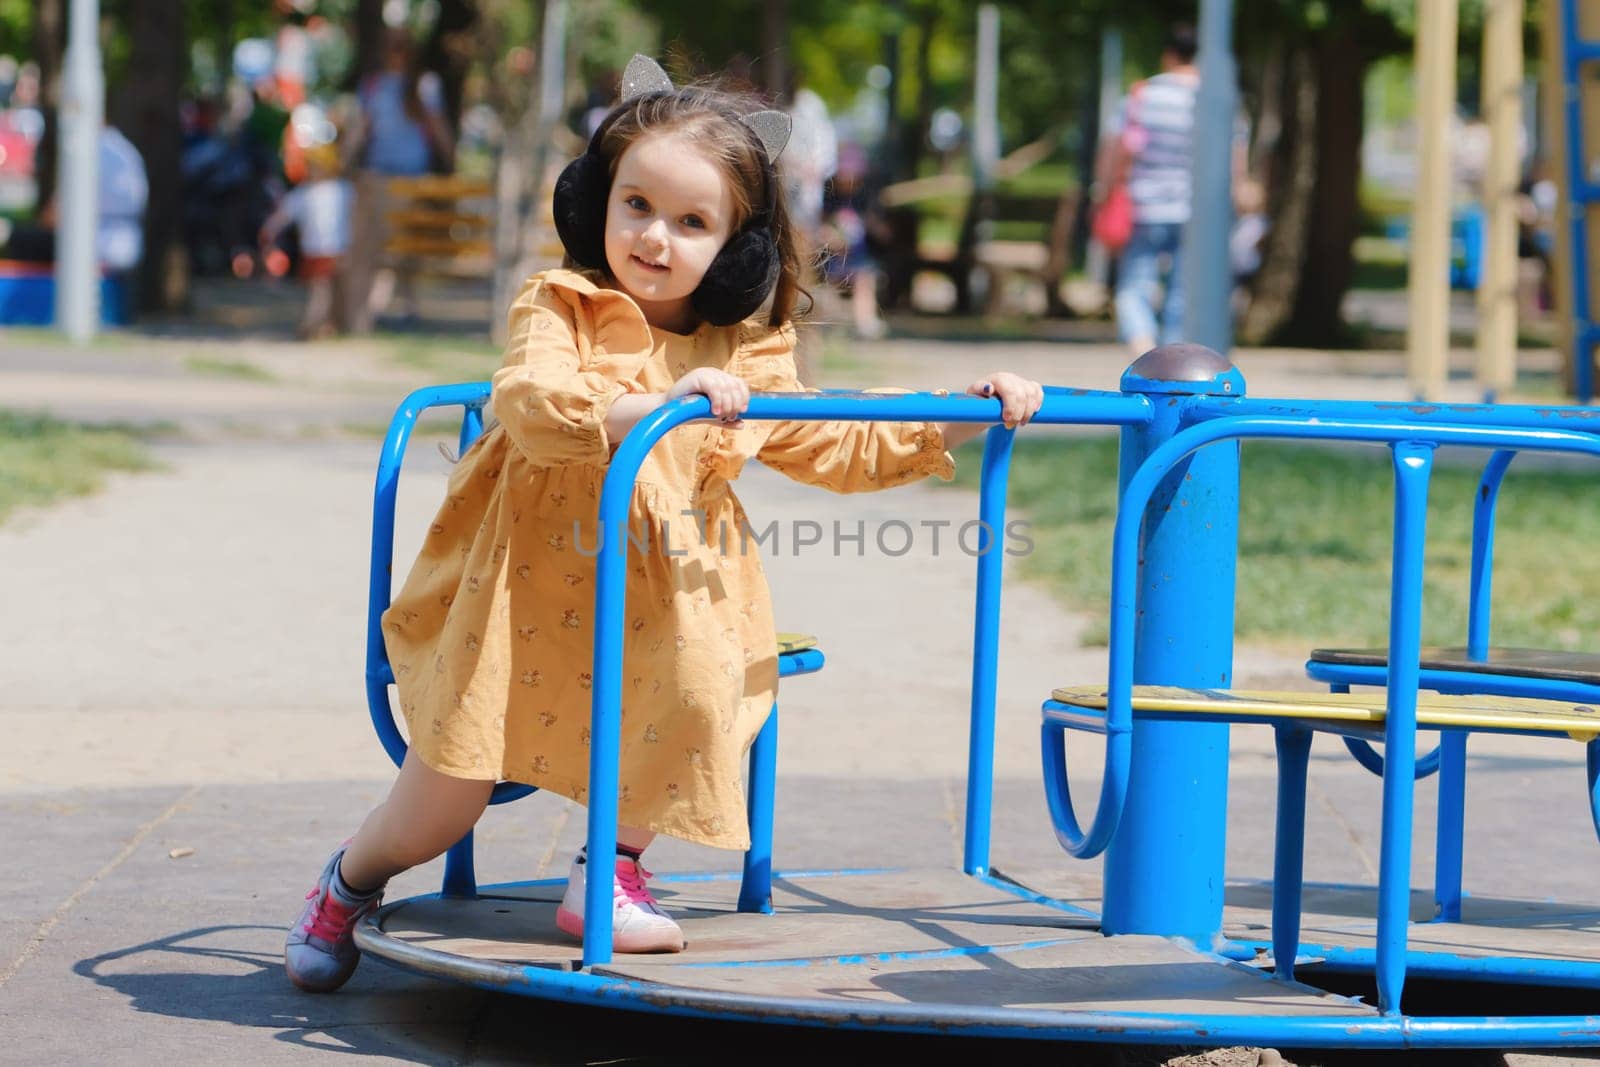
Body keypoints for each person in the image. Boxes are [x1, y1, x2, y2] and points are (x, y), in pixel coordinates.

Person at [282, 54, 1044, 993]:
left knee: (699, 686)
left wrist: (955, 407)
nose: (654, 237)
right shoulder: (559, 304)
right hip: (521, 586)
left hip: (664, 592)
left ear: (732, 245)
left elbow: (824, 437)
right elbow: (529, 402)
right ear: (598, 199)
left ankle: (610, 871)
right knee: (442, 805)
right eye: (636, 204)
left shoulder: (743, 348)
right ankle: (350, 878)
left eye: (692, 222)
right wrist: (642, 407)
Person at [1098, 24, 1201, 357]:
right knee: (1182, 292)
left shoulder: (1143, 96)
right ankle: (1171, 358)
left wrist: (1104, 190)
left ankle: (1143, 348)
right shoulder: (1213, 100)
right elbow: (1234, 157)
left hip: (1143, 203)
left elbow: (1118, 149)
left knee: (1133, 286)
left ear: (1168, 55)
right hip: (1194, 208)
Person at [344, 27, 455, 333]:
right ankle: (375, 308)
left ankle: (407, 306)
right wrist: (346, 161)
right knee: (382, 246)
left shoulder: (424, 85)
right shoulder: (374, 86)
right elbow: (361, 128)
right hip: (381, 177)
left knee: (407, 248)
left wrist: (451, 161)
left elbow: (437, 126)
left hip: (412, 179)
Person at [258, 141, 354, 338]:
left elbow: (358, 216)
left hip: (338, 249)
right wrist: (269, 230)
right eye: (312, 166)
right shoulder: (304, 194)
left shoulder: (342, 189)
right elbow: (283, 215)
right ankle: (311, 324)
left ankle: (323, 324)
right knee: (321, 289)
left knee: (331, 291)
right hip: (315, 249)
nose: (314, 170)